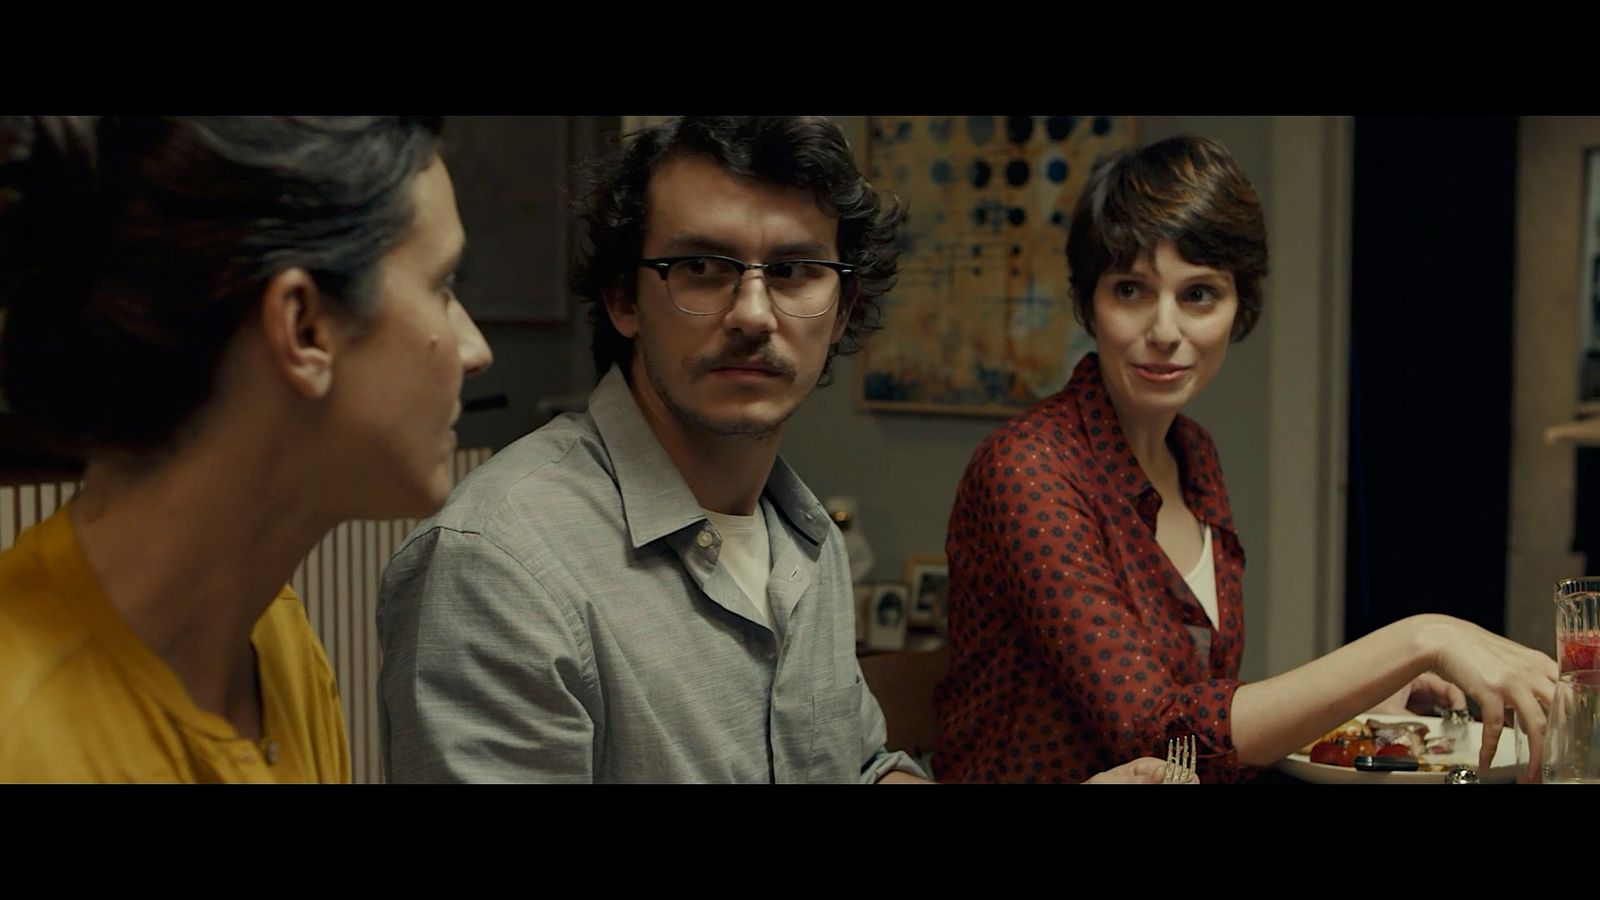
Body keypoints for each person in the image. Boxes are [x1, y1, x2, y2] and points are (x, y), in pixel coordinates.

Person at [377, 115, 1174, 784]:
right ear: (624, 297)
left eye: (794, 270)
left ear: (841, 306)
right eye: (701, 266)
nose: (754, 312)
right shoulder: (499, 564)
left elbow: (859, 768)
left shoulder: (807, 539)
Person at [934, 134, 1558, 784]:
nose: (1166, 330)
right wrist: (1420, 637)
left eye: (1199, 294)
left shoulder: (1193, 453)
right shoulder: (1029, 470)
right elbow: (1166, 732)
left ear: (1240, 306)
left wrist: (1371, 697)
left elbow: (1205, 713)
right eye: (1131, 290)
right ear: (1090, 302)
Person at [0, 116, 493, 782]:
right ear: (304, 328)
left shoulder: (275, 642)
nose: (475, 350)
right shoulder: (20, 734)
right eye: (442, 286)